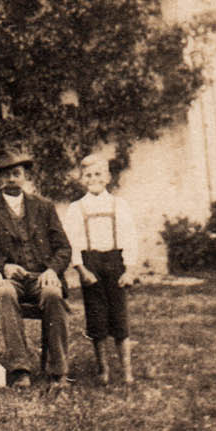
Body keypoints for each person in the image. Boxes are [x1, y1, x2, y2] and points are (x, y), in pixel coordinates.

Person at [0, 152, 74, 387]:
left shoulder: (44, 207)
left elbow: (64, 248)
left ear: (25, 177)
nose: (11, 179)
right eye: (6, 175)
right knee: (5, 293)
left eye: (16, 174)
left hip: (42, 275)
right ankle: (20, 369)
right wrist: (3, 266)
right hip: (11, 280)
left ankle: (58, 370)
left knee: (52, 294)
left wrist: (52, 271)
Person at [61, 154, 139, 385]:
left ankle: (127, 371)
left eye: (98, 174)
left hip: (115, 262)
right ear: (82, 179)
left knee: (119, 317)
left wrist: (130, 269)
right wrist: (81, 269)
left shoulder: (119, 205)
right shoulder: (77, 208)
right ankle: (102, 369)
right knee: (96, 318)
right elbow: (72, 242)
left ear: (107, 177)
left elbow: (130, 237)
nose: (93, 178)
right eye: (88, 175)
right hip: (90, 264)